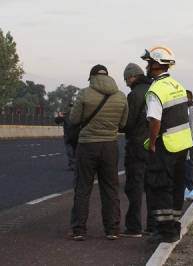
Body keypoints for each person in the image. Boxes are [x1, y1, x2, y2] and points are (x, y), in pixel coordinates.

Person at [69, 64, 128, 241]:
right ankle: (112, 229)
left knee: (82, 188)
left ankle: (79, 230)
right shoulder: (121, 96)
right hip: (110, 145)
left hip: (87, 145)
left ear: (92, 77)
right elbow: (123, 124)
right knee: (110, 188)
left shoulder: (84, 93)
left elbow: (74, 119)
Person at [142, 46, 193, 243]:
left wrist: (152, 143)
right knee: (176, 186)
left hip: (166, 145)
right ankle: (174, 226)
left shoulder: (155, 90)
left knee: (160, 187)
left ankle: (165, 231)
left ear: (156, 64)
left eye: (149, 63)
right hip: (182, 145)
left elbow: (155, 121)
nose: (147, 66)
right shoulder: (177, 85)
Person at [121, 63, 154, 237]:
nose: (126, 83)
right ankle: (152, 225)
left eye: (126, 79)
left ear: (133, 76)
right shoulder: (155, 90)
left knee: (135, 186)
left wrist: (120, 126)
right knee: (151, 187)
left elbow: (128, 122)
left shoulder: (134, 95)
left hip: (137, 145)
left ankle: (134, 227)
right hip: (153, 144)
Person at [54, 103, 75, 170]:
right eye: (70, 106)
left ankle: (73, 165)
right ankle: (73, 165)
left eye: (72, 106)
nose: (71, 108)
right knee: (70, 151)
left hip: (73, 135)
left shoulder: (77, 114)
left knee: (73, 151)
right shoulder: (65, 115)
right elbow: (57, 121)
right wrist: (59, 116)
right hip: (69, 136)